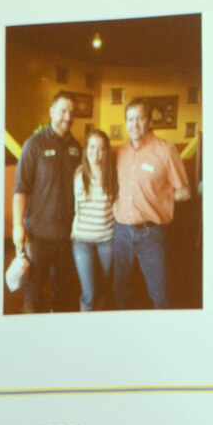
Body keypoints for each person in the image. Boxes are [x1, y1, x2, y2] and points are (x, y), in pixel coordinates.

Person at [113, 99, 190, 309]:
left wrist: (159, 200)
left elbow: (184, 192)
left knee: (160, 294)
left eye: (140, 118)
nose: (134, 124)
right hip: (120, 232)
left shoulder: (166, 151)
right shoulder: (121, 152)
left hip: (151, 235)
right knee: (120, 290)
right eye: (130, 119)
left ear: (149, 122)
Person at [12, 90, 82, 312]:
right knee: (33, 294)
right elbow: (21, 189)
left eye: (72, 113)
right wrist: (17, 226)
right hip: (39, 236)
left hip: (67, 237)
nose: (67, 117)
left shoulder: (76, 147)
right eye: (63, 111)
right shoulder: (34, 145)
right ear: (52, 111)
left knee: (62, 293)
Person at [71, 128, 118, 311]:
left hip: (107, 240)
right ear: (86, 148)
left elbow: (116, 205)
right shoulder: (78, 174)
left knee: (104, 289)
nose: (95, 153)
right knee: (89, 294)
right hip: (82, 241)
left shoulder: (112, 174)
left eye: (101, 148)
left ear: (106, 151)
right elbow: (75, 206)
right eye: (92, 146)